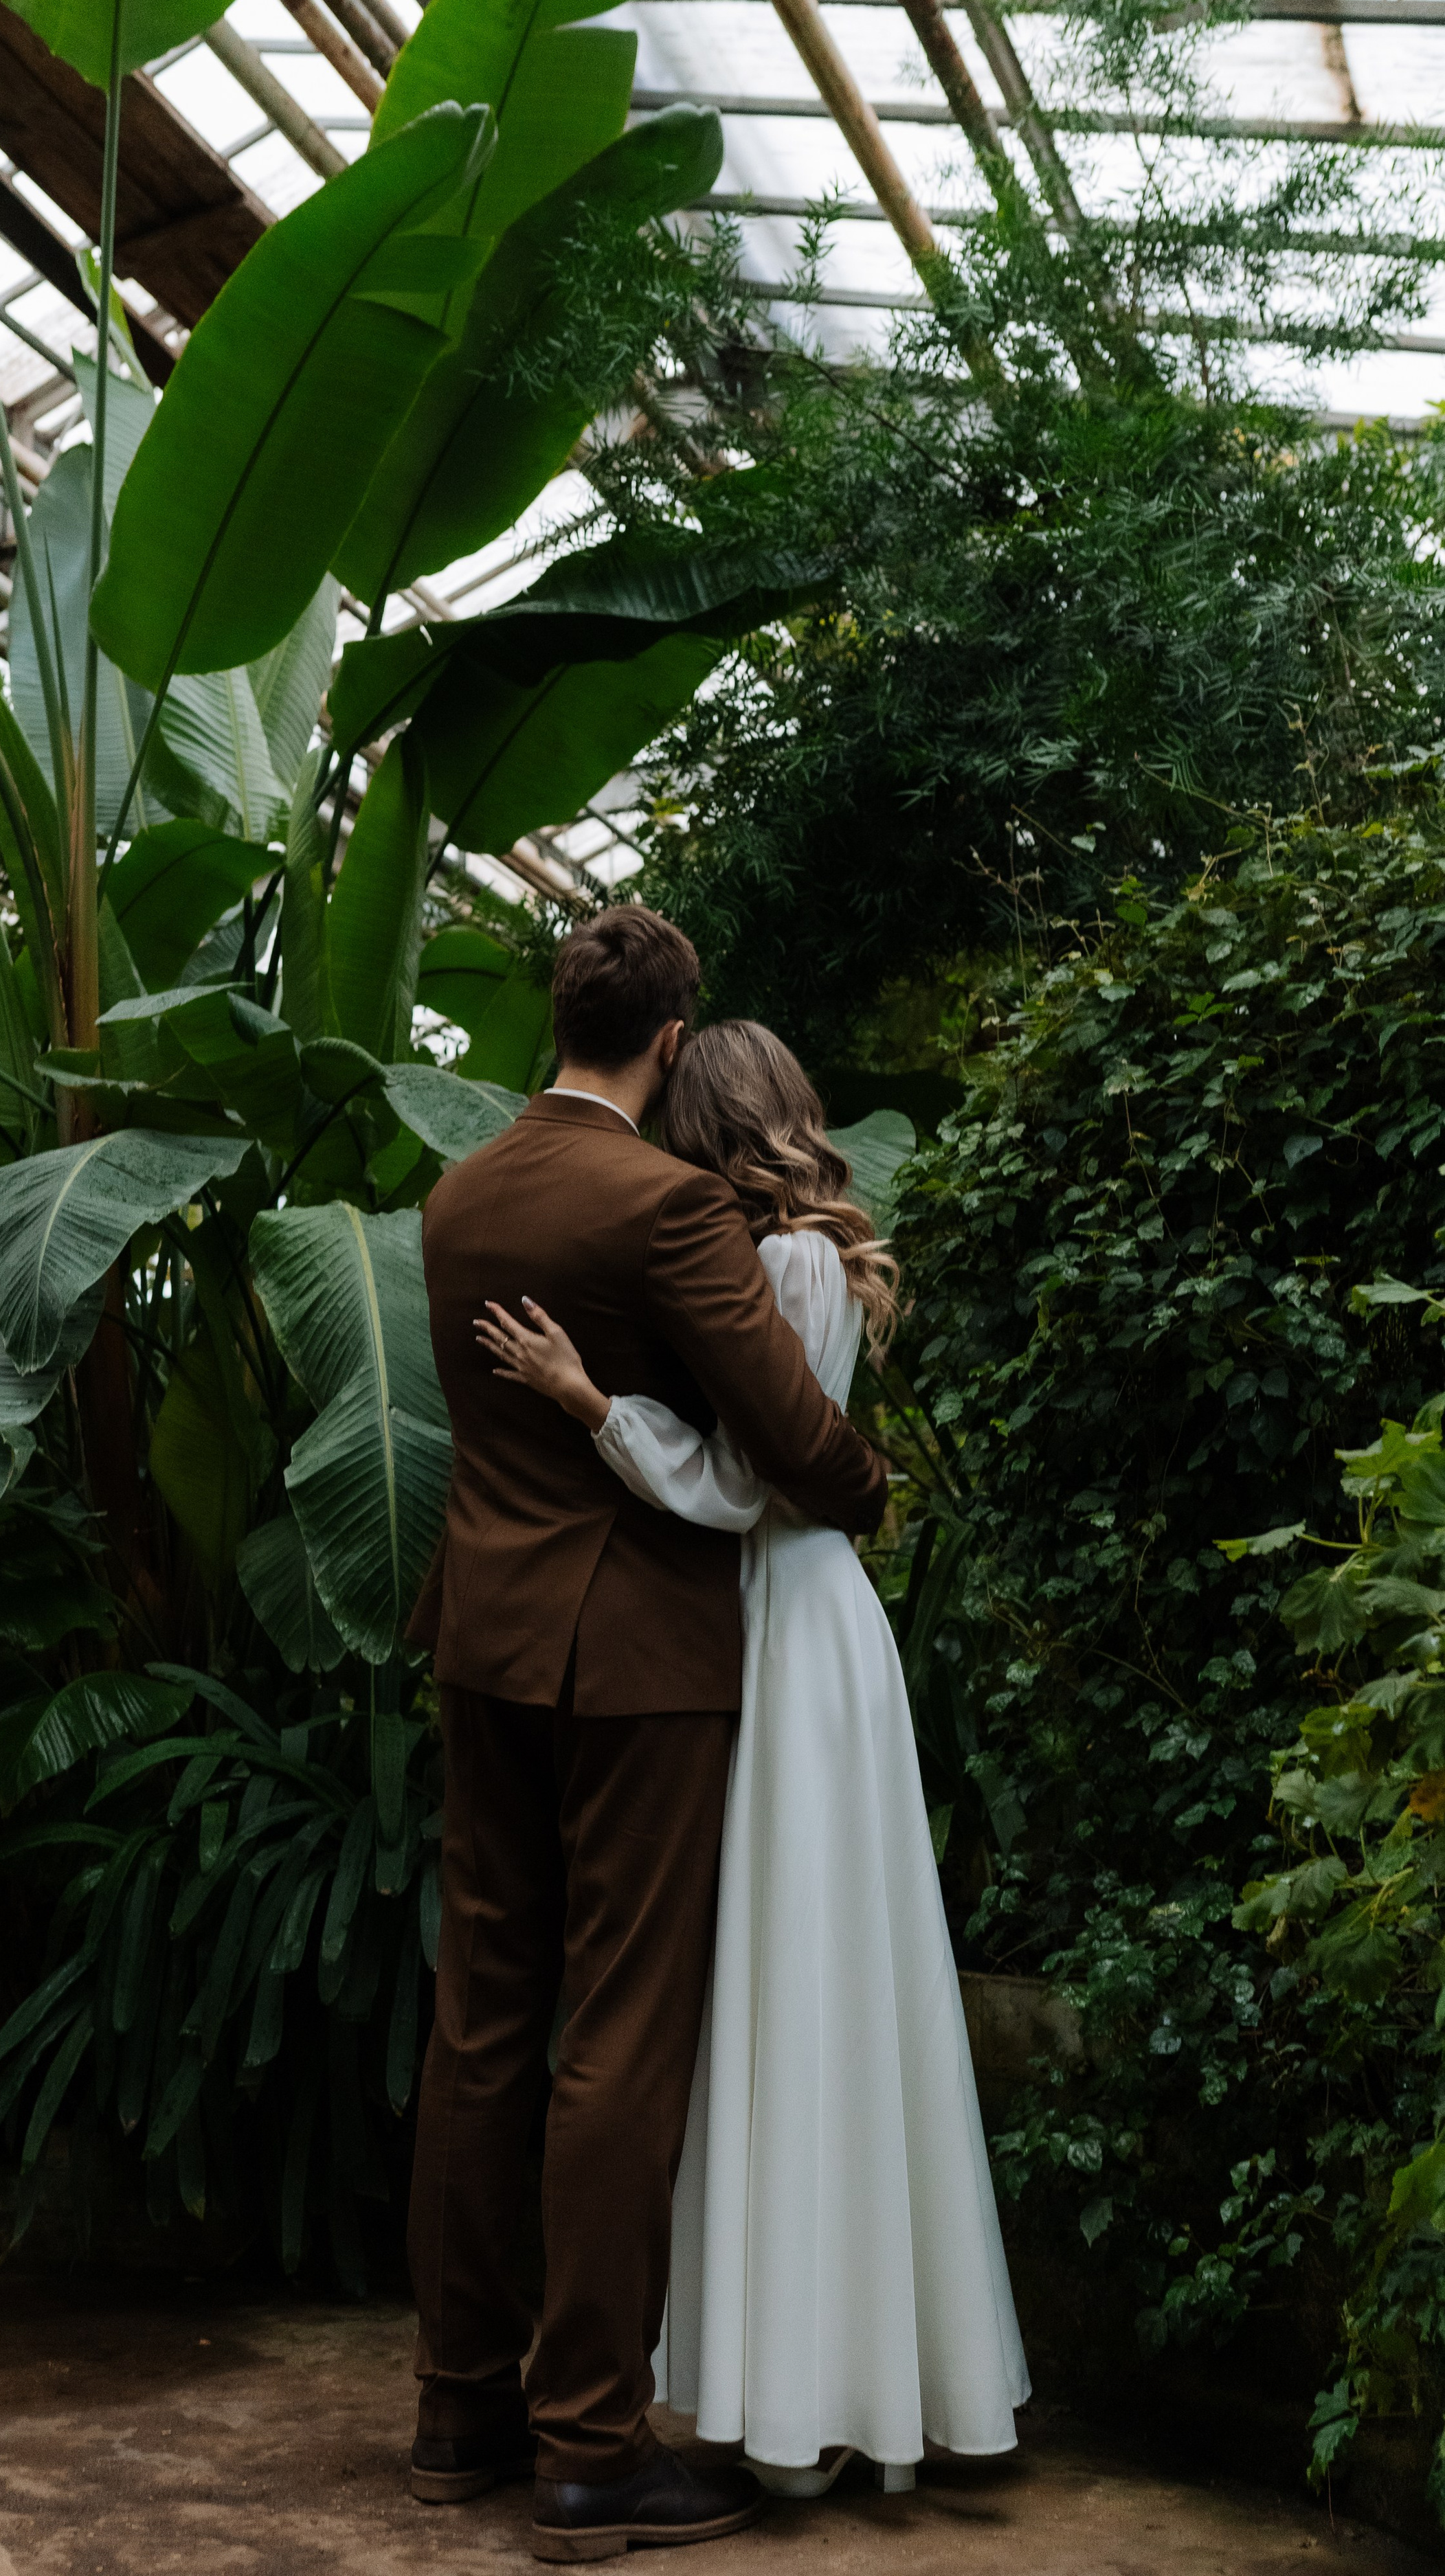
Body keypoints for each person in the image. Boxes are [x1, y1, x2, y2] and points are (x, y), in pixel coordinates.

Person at [478, 1017, 1029, 2501]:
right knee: (838, 1990)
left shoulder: (774, 1265)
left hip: (777, 1624)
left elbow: (739, 1486)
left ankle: (792, 2406)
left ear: (702, 1121)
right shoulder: (813, 1256)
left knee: (783, 1992)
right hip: (823, 1632)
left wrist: (588, 1402)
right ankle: (866, 2383)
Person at [404, 912, 891, 2564]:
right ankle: (591, 2450)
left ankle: (454, 2404)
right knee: (619, 2037)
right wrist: (867, 1490)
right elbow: (793, 1439)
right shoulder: (667, 1204)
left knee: (484, 2020)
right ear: (670, 1039)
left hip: (482, 1649)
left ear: (563, 1017)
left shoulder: (457, 1200)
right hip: (638, 1669)